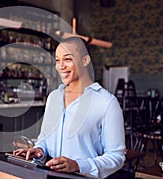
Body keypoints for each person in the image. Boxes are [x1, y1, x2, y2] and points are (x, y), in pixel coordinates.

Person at [14, 36, 125, 178]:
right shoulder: (54, 97)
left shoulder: (107, 103)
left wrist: (78, 165)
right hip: (48, 176)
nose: (60, 66)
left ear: (85, 61)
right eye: (57, 60)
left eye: (67, 59)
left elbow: (116, 157)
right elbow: (44, 138)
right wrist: (40, 150)